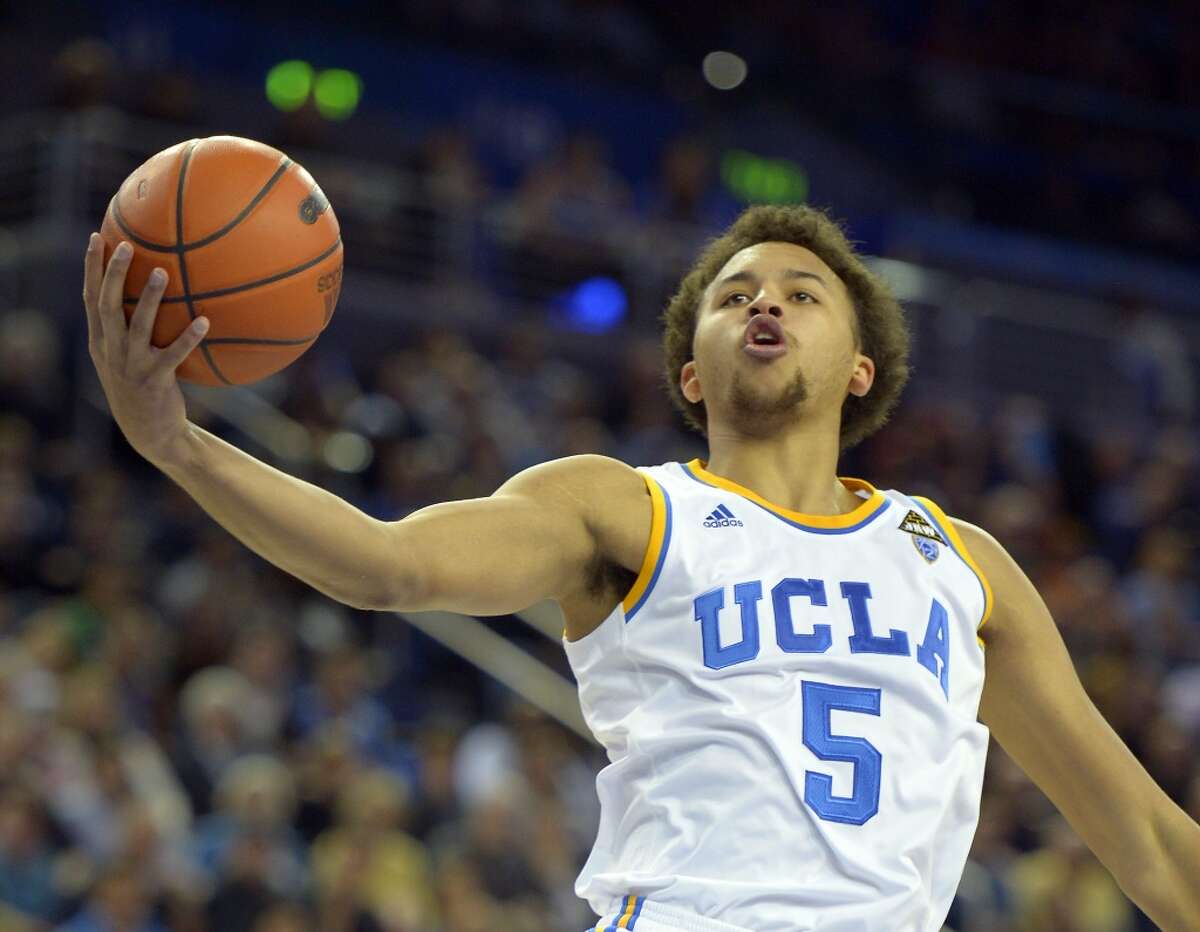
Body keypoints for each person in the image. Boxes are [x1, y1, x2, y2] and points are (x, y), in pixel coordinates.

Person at [81, 205, 1200, 932]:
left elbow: (1151, 843)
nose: (765, 299)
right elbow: (390, 566)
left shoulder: (964, 564)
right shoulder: (626, 506)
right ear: (691, 369)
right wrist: (177, 442)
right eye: (734, 292)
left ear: (861, 367)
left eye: (802, 292)